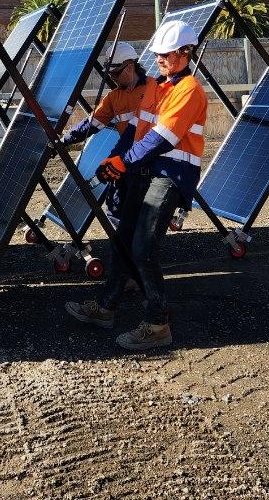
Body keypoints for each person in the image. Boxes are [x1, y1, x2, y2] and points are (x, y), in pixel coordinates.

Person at [65, 19, 208, 351]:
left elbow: (161, 139)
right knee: (122, 243)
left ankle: (159, 324)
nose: (159, 59)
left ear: (186, 52)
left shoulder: (189, 91)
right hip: (145, 171)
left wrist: (123, 162)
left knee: (143, 249)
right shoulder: (157, 87)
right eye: (157, 54)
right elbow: (136, 132)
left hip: (172, 175)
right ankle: (105, 309)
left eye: (167, 54)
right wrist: (115, 161)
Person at [60, 41, 147, 225]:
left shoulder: (154, 90)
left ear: (129, 67)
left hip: (148, 164)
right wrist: (63, 140)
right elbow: (90, 124)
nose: (113, 78)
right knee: (115, 211)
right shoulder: (114, 97)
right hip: (124, 160)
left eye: (115, 74)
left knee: (142, 216)